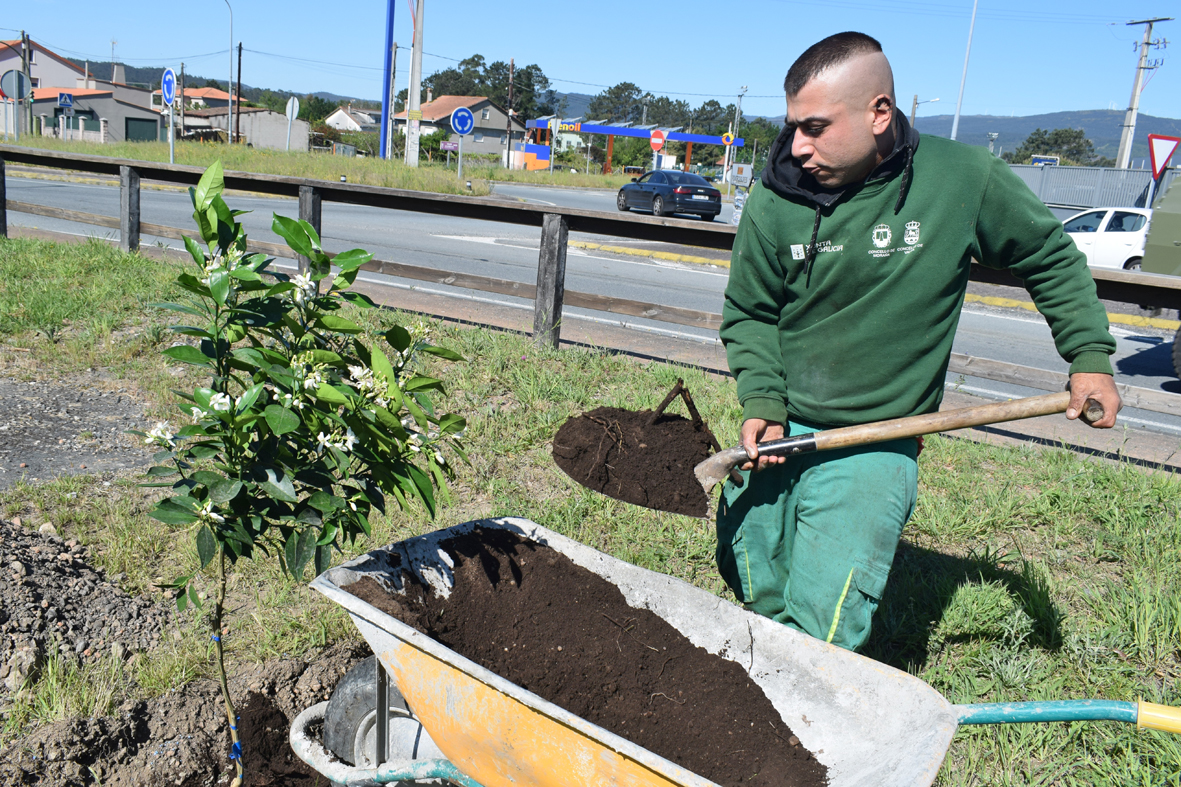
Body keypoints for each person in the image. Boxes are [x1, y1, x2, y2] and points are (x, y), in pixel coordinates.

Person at [716, 32, 1121, 652]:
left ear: (880, 113)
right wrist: (764, 403)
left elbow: (1048, 256)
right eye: (794, 125)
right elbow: (749, 309)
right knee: (751, 568)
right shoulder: (777, 192)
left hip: (876, 438)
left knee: (825, 611)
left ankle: (803, 716)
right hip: (781, 426)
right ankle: (755, 669)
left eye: (817, 127)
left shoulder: (960, 179)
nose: (797, 146)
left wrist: (1088, 359)